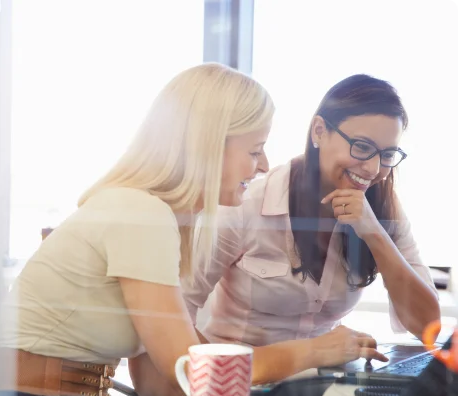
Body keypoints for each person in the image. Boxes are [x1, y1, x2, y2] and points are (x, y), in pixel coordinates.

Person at [0, 63, 276, 396]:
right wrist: (311, 355)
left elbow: (160, 383)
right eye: (255, 150)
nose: (263, 166)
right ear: (210, 146)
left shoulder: (154, 217)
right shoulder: (140, 213)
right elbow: (193, 369)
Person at [183, 74, 440, 374]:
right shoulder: (249, 203)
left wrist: (374, 233)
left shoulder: (384, 208)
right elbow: (176, 316)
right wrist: (217, 379)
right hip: (242, 383)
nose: (372, 168)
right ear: (319, 131)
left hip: (319, 391)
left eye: (387, 155)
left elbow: (427, 327)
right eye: (361, 146)